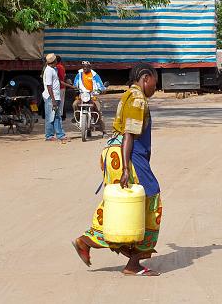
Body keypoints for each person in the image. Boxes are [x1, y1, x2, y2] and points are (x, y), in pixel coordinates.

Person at [72, 62, 162, 276]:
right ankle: (133, 262)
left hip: (115, 152)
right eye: (155, 84)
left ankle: (87, 241)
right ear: (146, 78)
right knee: (152, 202)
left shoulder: (128, 94)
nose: (155, 89)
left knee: (118, 204)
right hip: (127, 155)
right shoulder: (138, 98)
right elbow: (130, 134)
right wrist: (124, 169)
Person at [72, 61, 107, 133]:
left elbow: (100, 85)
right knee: (75, 104)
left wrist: (101, 89)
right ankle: (77, 118)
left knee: (97, 107)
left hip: (92, 95)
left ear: (90, 67)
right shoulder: (79, 74)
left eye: (86, 67)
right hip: (82, 95)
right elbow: (75, 83)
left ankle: (101, 128)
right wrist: (74, 87)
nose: (84, 68)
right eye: (83, 67)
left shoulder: (95, 75)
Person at [42, 53, 68, 142]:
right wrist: (53, 100)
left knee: (57, 116)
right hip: (51, 97)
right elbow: (49, 86)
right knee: (50, 117)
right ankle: (49, 136)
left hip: (56, 96)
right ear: (55, 61)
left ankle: (60, 135)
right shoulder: (49, 71)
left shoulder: (53, 69)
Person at [55, 56, 74, 121]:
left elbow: (59, 80)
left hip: (58, 87)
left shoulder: (57, 67)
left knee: (57, 103)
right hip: (62, 87)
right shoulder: (62, 67)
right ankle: (60, 116)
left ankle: (58, 117)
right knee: (61, 103)